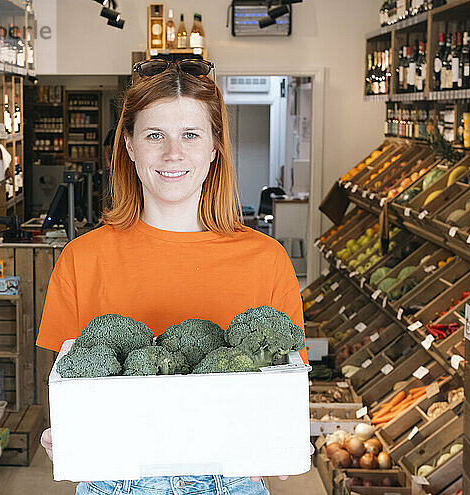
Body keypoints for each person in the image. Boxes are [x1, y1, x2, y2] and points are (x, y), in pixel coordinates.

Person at [36, 58, 307, 495]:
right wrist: (65, 431)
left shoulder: (267, 260)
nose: (173, 154)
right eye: (155, 135)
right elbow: (68, 384)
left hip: (231, 482)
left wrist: (280, 436)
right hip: (115, 480)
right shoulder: (81, 259)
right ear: (128, 144)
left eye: (191, 135)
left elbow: (286, 385)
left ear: (216, 145)